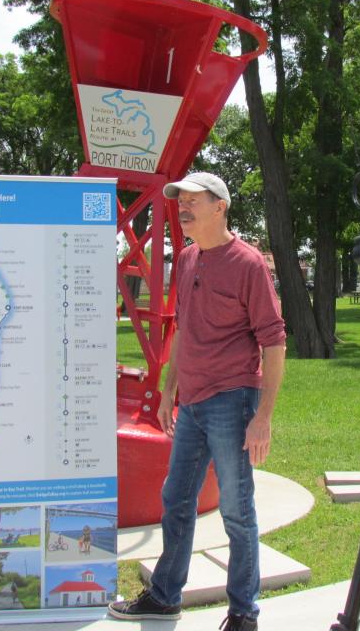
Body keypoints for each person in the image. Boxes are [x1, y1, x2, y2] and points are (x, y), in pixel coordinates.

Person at [107, 172, 286, 631]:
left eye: (192, 201)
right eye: (179, 201)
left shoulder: (248, 264)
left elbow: (274, 342)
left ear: (219, 206)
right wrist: (169, 391)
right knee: (176, 499)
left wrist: (263, 417)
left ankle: (244, 613)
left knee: (236, 509)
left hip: (233, 399)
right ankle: (165, 597)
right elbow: (183, 331)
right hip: (191, 403)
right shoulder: (186, 260)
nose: (182, 208)